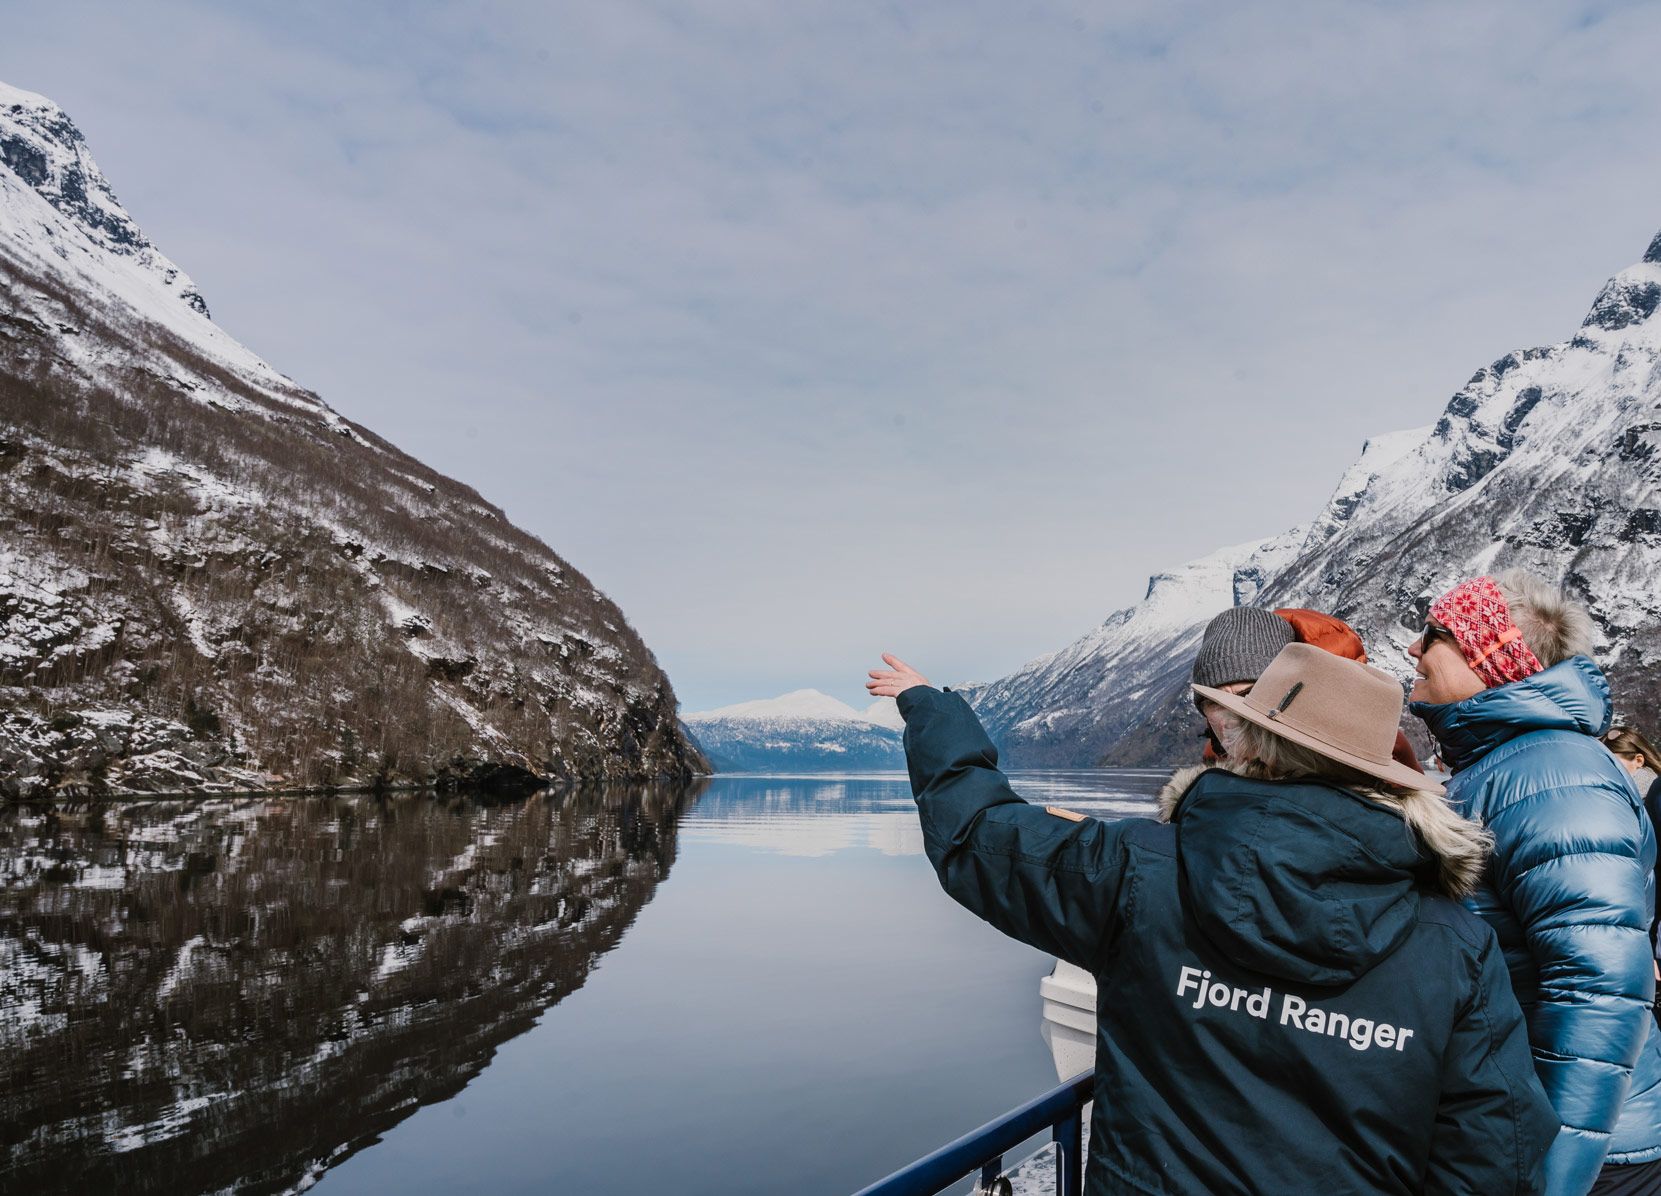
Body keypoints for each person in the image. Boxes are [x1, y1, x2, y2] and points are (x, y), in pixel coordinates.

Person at [869, 644, 1555, 1195]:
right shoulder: (1454, 941)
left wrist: (930, 709)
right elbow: (1498, 1151)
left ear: (1251, 746)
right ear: (1379, 775)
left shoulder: (1137, 872)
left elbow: (976, 837)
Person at [1408, 571, 1661, 1195]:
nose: (1414, 649)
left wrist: (1551, 1176)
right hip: (1522, 1124)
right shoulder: (1507, 764)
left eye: (1433, 634)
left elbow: (1598, 991)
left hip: (1590, 1154)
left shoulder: (1553, 771)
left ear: (1489, 656)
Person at [1193, 606, 1424, 772]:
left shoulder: (1366, 750)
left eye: (1247, 695)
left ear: (1282, 694)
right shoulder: (1215, 763)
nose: (1228, 719)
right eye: (1214, 701)